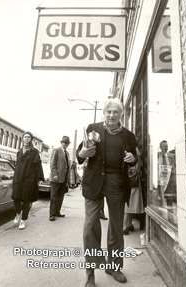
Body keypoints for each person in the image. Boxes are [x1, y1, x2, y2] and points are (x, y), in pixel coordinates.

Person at [76, 98, 137, 287]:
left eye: (115, 112)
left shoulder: (128, 136)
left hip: (117, 183)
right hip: (94, 182)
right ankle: (90, 273)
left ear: (121, 115)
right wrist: (83, 154)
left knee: (116, 227)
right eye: (108, 112)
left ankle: (114, 266)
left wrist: (132, 159)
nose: (111, 115)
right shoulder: (92, 129)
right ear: (104, 113)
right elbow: (80, 154)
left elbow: (133, 159)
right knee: (90, 225)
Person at [12, 131, 44, 230]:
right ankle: (18, 212)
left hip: (29, 178)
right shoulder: (19, 151)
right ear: (23, 138)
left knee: (26, 200)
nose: (26, 139)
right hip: (19, 177)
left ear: (31, 139)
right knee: (15, 197)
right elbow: (17, 165)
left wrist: (39, 178)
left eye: (28, 137)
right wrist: (15, 176)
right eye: (25, 137)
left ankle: (23, 220)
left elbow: (38, 165)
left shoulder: (34, 152)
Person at [123, 138, 144, 235]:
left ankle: (128, 224)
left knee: (129, 203)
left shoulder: (132, 150)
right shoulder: (136, 151)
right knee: (130, 203)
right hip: (133, 180)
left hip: (130, 179)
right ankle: (125, 226)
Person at [49, 136, 70, 221]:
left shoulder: (67, 153)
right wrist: (54, 175)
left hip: (64, 179)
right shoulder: (56, 150)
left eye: (67, 143)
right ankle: (52, 214)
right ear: (61, 143)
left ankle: (57, 211)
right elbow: (52, 164)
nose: (65, 144)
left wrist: (67, 179)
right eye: (64, 142)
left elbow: (67, 166)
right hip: (56, 178)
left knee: (60, 196)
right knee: (54, 196)